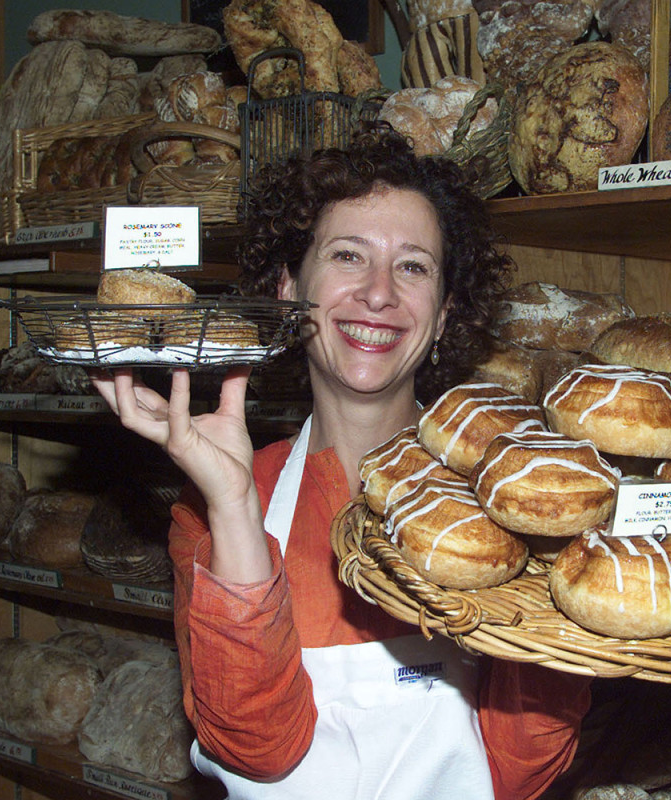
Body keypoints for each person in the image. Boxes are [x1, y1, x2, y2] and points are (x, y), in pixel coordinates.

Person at [90, 125, 592, 800]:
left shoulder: (509, 499)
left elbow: (523, 767)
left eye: (413, 266)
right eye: (349, 257)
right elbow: (255, 748)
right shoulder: (219, 501)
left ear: (444, 314)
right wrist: (236, 508)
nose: (379, 293)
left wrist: (566, 565)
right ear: (288, 288)